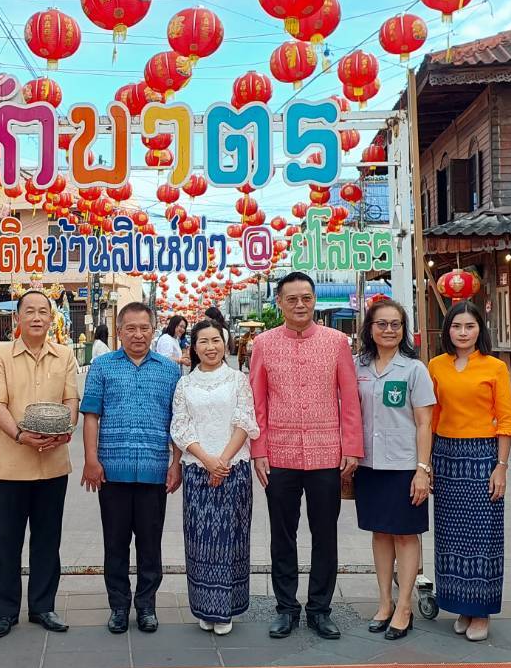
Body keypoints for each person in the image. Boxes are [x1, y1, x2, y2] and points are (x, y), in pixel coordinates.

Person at [250, 272, 363, 640]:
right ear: (279, 303)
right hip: (279, 454)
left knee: (324, 533)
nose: (300, 305)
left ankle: (319, 608)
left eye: (307, 298)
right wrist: (259, 450)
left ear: (314, 300)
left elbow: (349, 397)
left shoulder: (336, 342)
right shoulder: (264, 343)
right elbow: (257, 401)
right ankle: (285, 607)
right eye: (292, 299)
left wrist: (352, 447)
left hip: (327, 453)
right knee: (282, 535)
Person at [0, 289, 80, 638]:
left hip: (53, 465)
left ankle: (43, 606)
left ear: (52, 318)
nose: (37, 318)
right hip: (10, 466)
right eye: (30, 312)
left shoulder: (65, 355)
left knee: (47, 539)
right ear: (18, 318)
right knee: (6, 541)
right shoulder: (1, 356)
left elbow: (71, 398)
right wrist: (21, 436)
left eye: (43, 312)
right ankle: (5, 611)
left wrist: (66, 430)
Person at [81, 302, 182, 634]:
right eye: (131, 328)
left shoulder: (170, 370)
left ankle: (147, 605)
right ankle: (119, 607)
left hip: (155, 470)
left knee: (151, 543)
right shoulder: (102, 367)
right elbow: (91, 415)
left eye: (144, 328)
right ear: (119, 332)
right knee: (115, 543)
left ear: (153, 331)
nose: (138, 334)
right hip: (112, 471)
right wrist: (91, 460)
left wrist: (176, 463)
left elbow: (179, 422)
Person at [428, 301, 511, 643]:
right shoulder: (436, 366)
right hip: (446, 456)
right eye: (456, 326)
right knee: (450, 535)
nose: (463, 333)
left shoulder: (495, 367)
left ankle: (481, 611)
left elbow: (506, 420)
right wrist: (428, 463)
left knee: (483, 535)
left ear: (480, 329)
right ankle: (462, 607)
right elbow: (432, 417)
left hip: (482, 456)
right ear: (447, 330)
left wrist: (501, 467)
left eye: (470, 326)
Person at [171, 319, 257, 634]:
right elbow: (180, 426)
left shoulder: (238, 380)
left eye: (216, 340)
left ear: (226, 344)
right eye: (203, 342)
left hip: (234, 470)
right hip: (197, 471)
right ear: (193, 348)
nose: (211, 347)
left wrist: (223, 461)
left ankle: (227, 609)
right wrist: (208, 460)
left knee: (231, 540)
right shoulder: (185, 385)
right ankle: (205, 608)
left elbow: (244, 420)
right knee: (201, 541)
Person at [355, 299, 435, 639]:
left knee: (405, 533)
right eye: (382, 323)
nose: (389, 330)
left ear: (403, 330)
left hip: (404, 465)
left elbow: (424, 422)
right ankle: (385, 602)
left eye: (395, 324)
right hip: (369, 463)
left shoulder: (413, 370)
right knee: (380, 533)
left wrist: (422, 469)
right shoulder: (357, 366)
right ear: (369, 328)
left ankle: (405, 607)